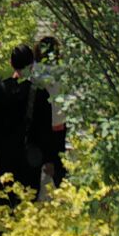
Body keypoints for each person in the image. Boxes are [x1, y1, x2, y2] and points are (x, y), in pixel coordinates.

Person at [0, 43, 54, 211]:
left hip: (4, 160)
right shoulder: (40, 93)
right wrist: (49, 160)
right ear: (32, 65)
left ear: (11, 63)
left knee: (4, 207)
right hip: (30, 161)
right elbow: (46, 130)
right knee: (27, 208)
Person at [35, 35, 68, 187]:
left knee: (38, 161)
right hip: (59, 122)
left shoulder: (35, 71)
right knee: (59, 160)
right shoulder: (62, 70)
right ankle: (61, 191)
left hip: (40, 123)